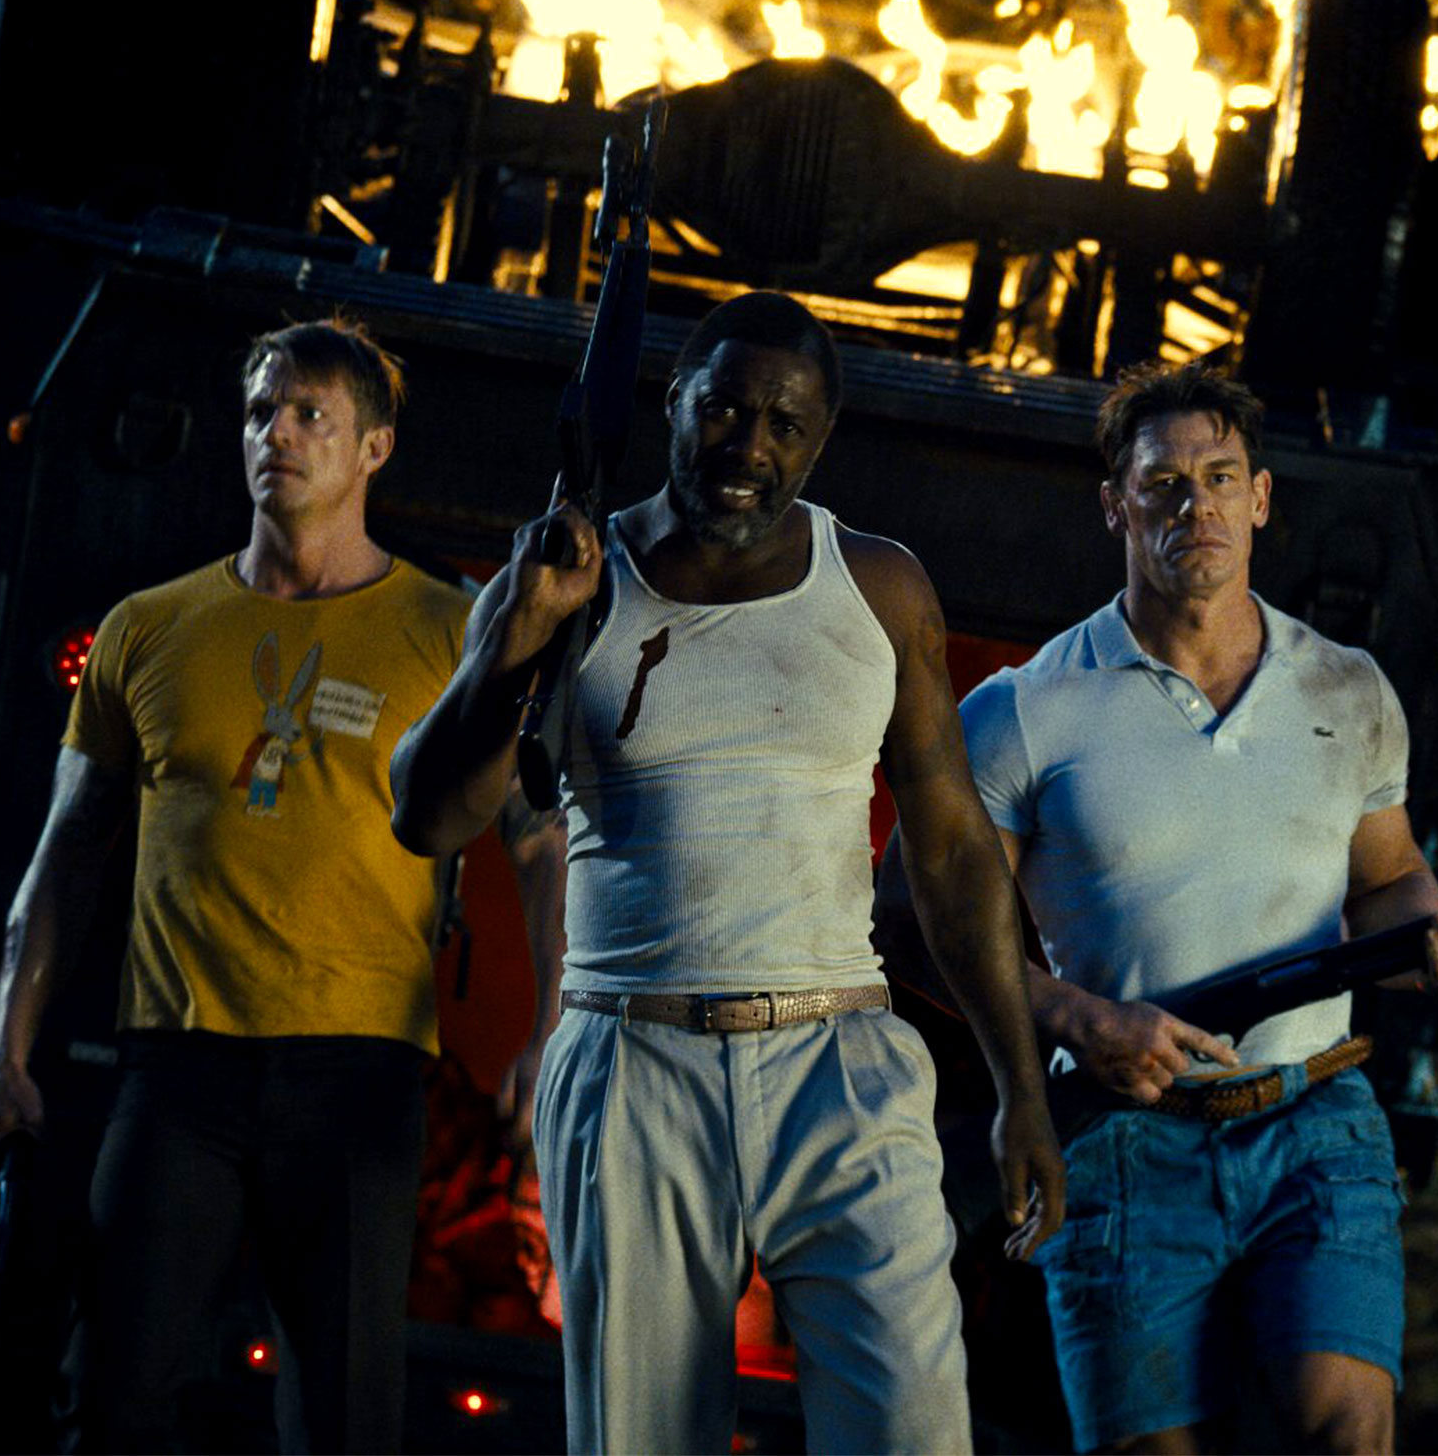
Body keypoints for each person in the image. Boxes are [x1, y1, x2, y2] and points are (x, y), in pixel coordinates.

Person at [389, 290, 1068, 1453]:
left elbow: (953, 852)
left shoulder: (877, 585)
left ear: (820, 438)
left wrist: (1020, 1086)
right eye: (723, 411)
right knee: (642, 1437)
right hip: (630, 1056)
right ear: (674, 403)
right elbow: (427, 816)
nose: (748, 446)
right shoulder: (570, 579)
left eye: (783, 424)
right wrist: (513, 638)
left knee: (911, 1426)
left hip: (835, 1057)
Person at [881, 359, 1438, 1454]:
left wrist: (1434, 942)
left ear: (1260, 499)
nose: (1197, 507)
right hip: (1122, 1137)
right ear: (1114, 505)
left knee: (1347, 1434)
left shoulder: (1348, 687)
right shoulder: (1025, 709)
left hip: (1314, 1117)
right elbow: (908, 919)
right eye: (1164, 484)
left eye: (1220, 478)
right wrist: (1079, 1018)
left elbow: (1385, 881)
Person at [0, 319, 568, 1453]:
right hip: (177, 1072)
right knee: (114, 1402)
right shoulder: (150, 628)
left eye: (309, 416)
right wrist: (6, 1055)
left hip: (358, 1080)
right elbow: (65, 851)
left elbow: (541, 844)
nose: (275, 435)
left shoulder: (451, 632)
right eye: (259, 413)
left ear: (373, 448)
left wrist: (551, 1031)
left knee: (343, 1420)